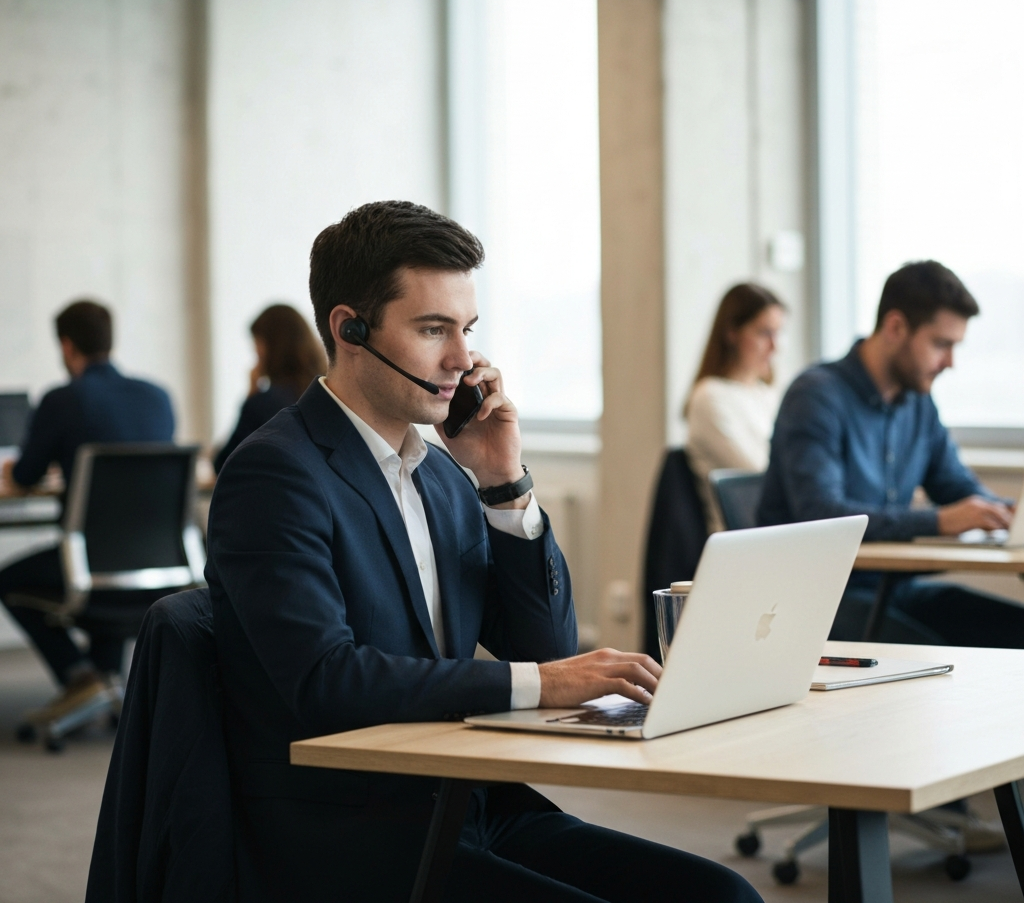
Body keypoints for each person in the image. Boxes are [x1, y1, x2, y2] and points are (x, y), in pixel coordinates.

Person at [206, 201, 762, 903]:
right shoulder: (278, 473)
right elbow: (326, 681)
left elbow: (542, 643)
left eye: (467, 330)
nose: (463, 360)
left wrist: (503, 484)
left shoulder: (442, 475)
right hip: (355, 831)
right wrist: (541, 685)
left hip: (468, 804)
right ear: (350, 328)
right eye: (433, 329)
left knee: (722, 896)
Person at [758, 260, 1024, 647]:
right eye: (941, 344)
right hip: (818, 603)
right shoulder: (816, 396)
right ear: (896, 327)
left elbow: (960, 489)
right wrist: (937, 521)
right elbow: (820, 515)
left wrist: (1010, 515)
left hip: (891, 590)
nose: (950, 362)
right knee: (958, 662)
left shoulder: (917, 404)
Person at [0, 300, 175, 721]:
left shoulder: (63, 400)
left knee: (7, 580)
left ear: (66, 346)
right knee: (103, 552)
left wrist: (19, 469)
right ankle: (104, 677)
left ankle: (80, 676)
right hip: (154, 568)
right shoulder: (157, 397)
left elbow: (26, 474)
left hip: (86, 567)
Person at [685, 283, 785, 529]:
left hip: (774, 533)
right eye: (764, 333)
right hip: (739, 542)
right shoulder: (710, 397)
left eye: (778, 333)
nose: (775, 347)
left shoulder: (767, 395)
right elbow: (763, 475)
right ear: (732, 333)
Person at [213, 304, 325, 473]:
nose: (255, 353)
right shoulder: (326, 395)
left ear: (272, 347)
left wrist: (252, 396)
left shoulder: (262, 404)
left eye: (257, 344)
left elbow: (222, 464)